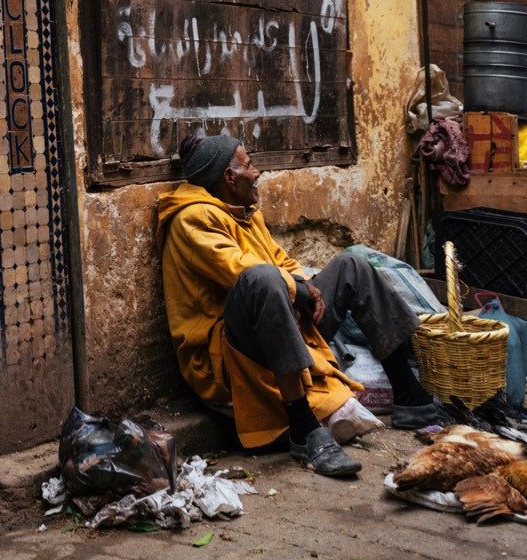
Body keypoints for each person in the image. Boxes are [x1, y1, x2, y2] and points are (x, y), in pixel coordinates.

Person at [157, 133, 441, 477]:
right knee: (262, 279)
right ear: (230, 178)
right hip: (228, 353)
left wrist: (304, 287)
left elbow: (284, 261)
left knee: (353, 266)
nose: (257, 172)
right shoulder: (192, 219)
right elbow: (239, 270)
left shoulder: (247, 214)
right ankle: (304, 429)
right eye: (250, 165)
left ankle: (409, 394)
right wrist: (296, 290)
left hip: (280, 325)